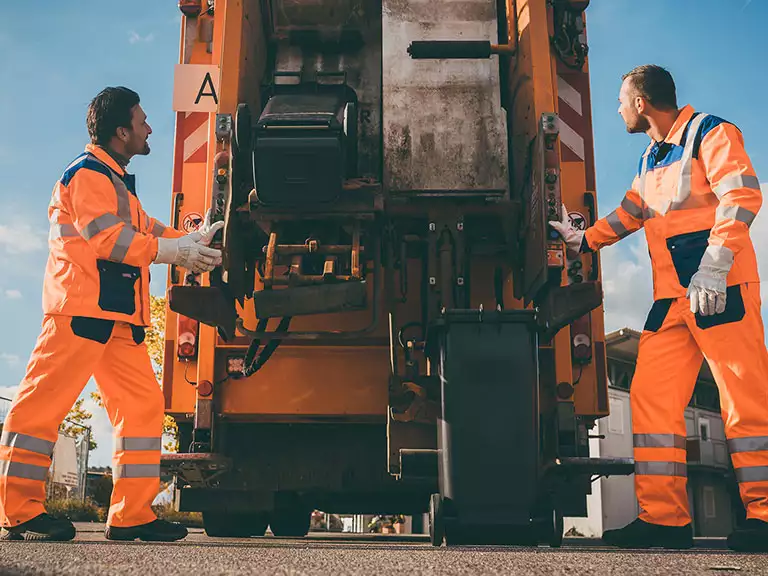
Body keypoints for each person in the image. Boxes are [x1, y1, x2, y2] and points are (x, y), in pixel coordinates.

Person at [550, 65, 768, 553]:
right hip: (672, 302)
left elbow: (741, 195)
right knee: (651, 401)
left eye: (620, 101)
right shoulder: (652, 160)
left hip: (720, 290)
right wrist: (583, 238)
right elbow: (629, 214)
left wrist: (715, 264)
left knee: (744, 401)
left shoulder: (711, 132)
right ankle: (665, 518)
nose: (618, 109)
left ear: (641, 102)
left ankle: (765, 512)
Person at [0, 87, 223, 542]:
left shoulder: (115, 182)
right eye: (142, 121)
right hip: (78, 313)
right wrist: (172, 251)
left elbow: (149, 230)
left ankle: (131, 515)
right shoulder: (86, 175)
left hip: (116, 319)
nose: (149, 128)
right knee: (40, 409)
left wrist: (192, 241)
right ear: (122, 132)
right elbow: (109, 240)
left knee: (143, 409)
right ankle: (19, 512)